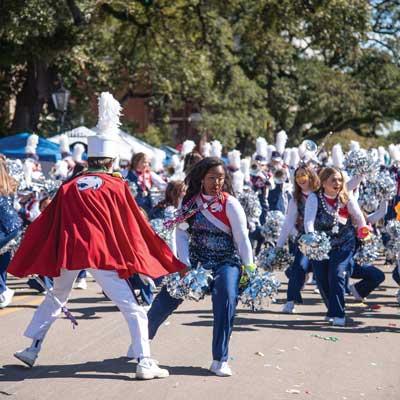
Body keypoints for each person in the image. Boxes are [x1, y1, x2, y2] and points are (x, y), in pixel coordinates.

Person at [9, 92, 185, 380]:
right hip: (100, 254)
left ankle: (32, 348)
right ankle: (144, 361)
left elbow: (48, 220)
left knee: (56, 297)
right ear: (112, 160)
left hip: (70, 252)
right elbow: (130, 225)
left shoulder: (70, 186)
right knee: (134, 307)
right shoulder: (116, 186)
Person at [146, 157, 254, 377]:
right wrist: (184, 264)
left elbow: (242, 239)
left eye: (221, 178)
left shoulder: (230, 203)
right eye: (212, 178)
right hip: (196, 260)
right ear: (202, 179)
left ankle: (220, 359)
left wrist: (249, 268)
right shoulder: (190, 202)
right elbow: (181, 233)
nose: (217, 183)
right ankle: (141, 343)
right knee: (169, 294)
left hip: (226, 261)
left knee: (226, 296)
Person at [304, 167, 369, 326]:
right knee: (322, 279)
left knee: (338, 274)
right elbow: (309, 221)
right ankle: (332, 310)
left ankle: (339, 314)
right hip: (321, 245)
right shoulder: (314, 198)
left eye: (340, 180)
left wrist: (363, 229)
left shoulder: (346, 196)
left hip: (344, 243)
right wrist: (312, 237)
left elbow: (359, 217)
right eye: (334, 180)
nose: (338, 183)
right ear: (324, 182)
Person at [276, 165, 320, 313]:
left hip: (325, 239)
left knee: (324, 272)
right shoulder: (296, 198)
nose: (301, 178)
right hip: (305, 240)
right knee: (298, 267)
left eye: (304, 175)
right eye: (298, 176)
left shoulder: (321, 193)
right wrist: (279, 245)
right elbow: (288, 222)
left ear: (311, 176)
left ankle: (333, 309)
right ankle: (290, 301)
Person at [0, 158, 23, 308]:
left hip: (5, 230)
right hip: (14, 229)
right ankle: (2, 293)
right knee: (2, 262)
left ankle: (4, 290)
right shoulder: (9, 183)